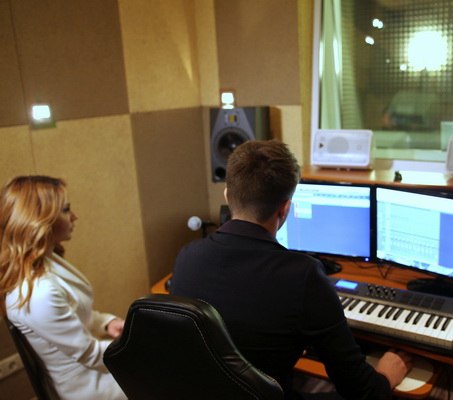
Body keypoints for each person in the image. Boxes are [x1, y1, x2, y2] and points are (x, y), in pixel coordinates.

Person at [170, 140, 412, 400]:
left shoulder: (187, 257)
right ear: (285, 209)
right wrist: (385, 376)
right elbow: (360, 390)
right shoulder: (303, 275)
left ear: (227, 195)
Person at [0, 176, 127, 400]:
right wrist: (139, 346)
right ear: (39, 220)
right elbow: (89, 354)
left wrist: (106, 323)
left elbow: (77, 313)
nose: (74, 216)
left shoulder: (47, 261)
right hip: (90, 387)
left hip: (95, 369)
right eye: (66, 210)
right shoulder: (38, 293)